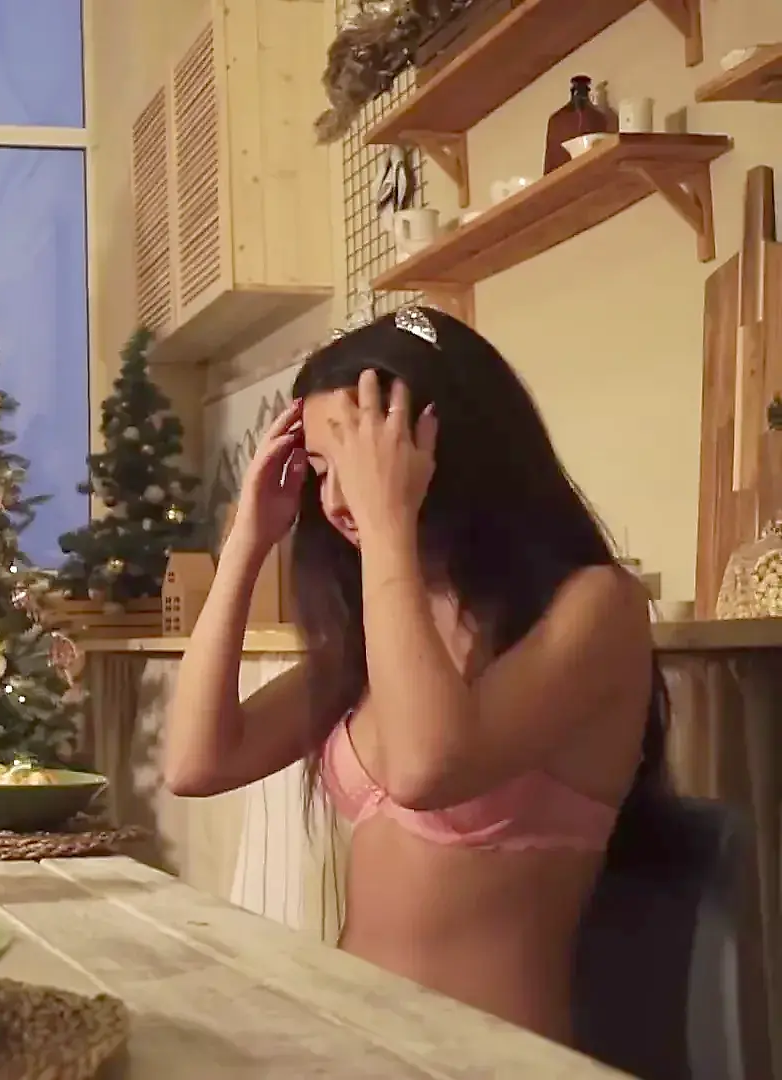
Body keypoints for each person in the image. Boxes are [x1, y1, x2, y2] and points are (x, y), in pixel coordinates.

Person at [164, 306, 665, 1044]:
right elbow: (197, 763)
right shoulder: (389, 624)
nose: (336, 500)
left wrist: (387, 524)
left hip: (491, 1059)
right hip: (346, 1040)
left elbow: (426, 768)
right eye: (323, 471)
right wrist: (248, 538)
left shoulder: (598, 605)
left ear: (446, 446)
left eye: (364, 461)